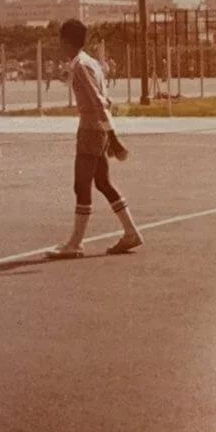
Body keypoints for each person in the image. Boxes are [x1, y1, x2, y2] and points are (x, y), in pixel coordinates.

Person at [46, 19, 143, 260]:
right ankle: (131, 232)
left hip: (91, 130)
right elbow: (104, 100)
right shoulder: (90, 63)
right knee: (102, 183)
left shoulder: (81, 66)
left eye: (61, 40)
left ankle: (75, 243)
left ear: (67, 41)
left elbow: (98, 102)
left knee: (81, 185)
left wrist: (113, 136)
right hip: (97, 129)